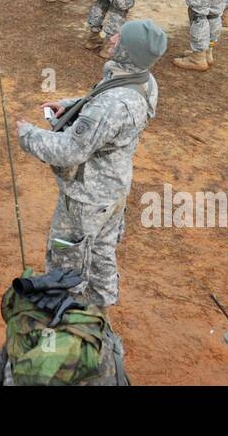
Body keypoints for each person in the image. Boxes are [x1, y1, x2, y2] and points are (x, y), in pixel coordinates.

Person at [15, 19, 165, 308]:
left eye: (120, 39)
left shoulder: (113, 105)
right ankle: (102, 306)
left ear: (128, 51)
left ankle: (66, 321)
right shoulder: (142, 80)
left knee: (66, 259)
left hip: (86, 197)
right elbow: (101, 105)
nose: (112, 39)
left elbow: (70, 151)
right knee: (101, 251)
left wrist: (28, 135)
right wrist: (72, 106)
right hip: (113, 189)